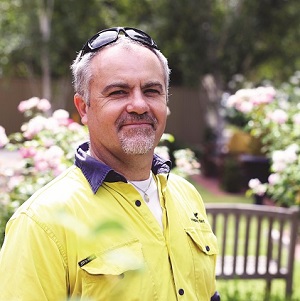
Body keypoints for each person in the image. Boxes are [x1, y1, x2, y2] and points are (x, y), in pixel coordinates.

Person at [0, 26, 220, 300]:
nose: (139, 105)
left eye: (151, 90)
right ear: (83, 108)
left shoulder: (187, 196)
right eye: (118, 92)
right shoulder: (41, 222)